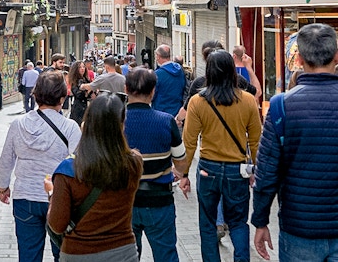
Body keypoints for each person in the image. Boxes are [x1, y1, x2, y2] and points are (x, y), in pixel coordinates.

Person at [252, 23, 338, 262]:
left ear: (298, 59)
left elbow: (267, 173)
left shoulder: (281, 106)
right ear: (336, 56)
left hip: (299, 228)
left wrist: (260, 220)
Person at [181, 50, 262, 262]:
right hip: (237, 170)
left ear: (208, 72)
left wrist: (183, 174)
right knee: (238, 222)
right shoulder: (247, 100)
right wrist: (256, 171)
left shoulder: (198, 102)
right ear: (232, 72)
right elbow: (255, 141)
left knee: (207, 224)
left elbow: (189, 142)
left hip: (209, 169)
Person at [46, 92, 143, 261]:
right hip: (123, 252)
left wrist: (51, 193)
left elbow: (57, 225)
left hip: (78, 253)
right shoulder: (134, 163)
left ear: (86, 124)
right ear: (121, 125)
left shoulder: (67, 171)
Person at [0, 71, 81, 262]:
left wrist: (3, 187)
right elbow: (78, 165)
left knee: (28, 255)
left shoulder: (18, 124)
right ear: (62, 97)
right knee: (63, 254)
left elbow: (6, 160)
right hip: (60, 198)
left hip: (25, 197)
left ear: (35, 95)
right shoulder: (70, 127)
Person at [124, 67, 187, 261]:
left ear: (126, 89)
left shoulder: (116, 121)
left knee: (128, 255)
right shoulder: (166, 121)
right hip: (160, 200)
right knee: (166, 254)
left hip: (125, 201)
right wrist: (177, 172)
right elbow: (182, 161)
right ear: (153, 92)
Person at [151, 45, 186, 117]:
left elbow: (152, 95)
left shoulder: (157, 74)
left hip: (160, 112)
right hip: (177, 111)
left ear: (158, 56)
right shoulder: (180, 70)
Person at [68, 60, 92, 126]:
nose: (82, 69)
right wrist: (87, 91)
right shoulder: (75, 80)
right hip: (78, 108)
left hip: (86, 107)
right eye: (80, 67)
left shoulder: (86, 79)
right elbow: (78, 94)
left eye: (83, 67)